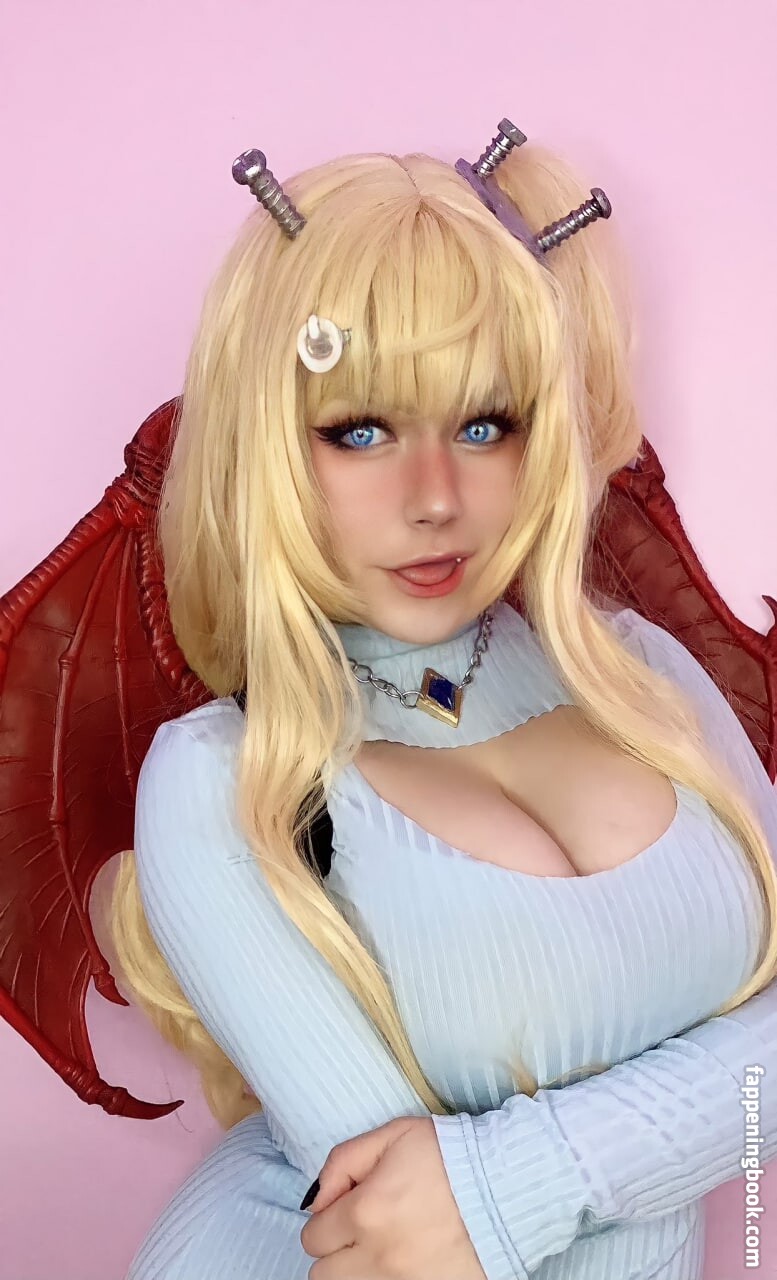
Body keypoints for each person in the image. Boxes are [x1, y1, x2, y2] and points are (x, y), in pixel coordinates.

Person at [108, 127, 777, 1279]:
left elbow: (477, 1206)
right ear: (267, 444)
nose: (434, 499)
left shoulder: (645, 674)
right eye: (359, 429)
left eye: (484, 423)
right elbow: (405, 1231)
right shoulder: (225, 775)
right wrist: (704, 1104)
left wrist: (526, 1172)